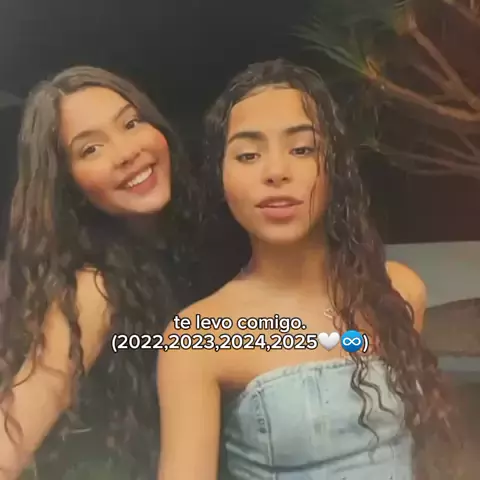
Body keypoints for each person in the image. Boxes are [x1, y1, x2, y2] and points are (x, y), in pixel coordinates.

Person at [157, 59, 458, 480]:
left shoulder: (399, 291)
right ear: (221, 178)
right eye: (248, 154)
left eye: (302, 149)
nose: (276, 172)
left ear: (335, 168)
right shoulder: (198, 337)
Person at [0, 66, 199, 479]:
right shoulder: (93, 289)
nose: (126, 152)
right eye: (91, 149)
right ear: (68, 186)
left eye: (130, 123)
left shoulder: (195, 245)